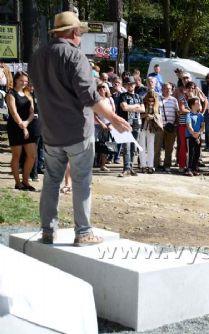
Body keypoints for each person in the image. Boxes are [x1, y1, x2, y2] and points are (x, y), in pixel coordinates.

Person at [30, 11, 131, 246]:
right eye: (80, 33)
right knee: (81, 181)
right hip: (77, 131)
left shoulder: (37, 56)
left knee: (52, 181)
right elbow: (90, 97)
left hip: (51, 131)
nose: (80, 37)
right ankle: (83, 232)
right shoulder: (75, 56)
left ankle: (48, 230)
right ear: (75, 32)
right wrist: (114, 118)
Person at [6, 71, 37, 191]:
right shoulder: (10, 94)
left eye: (26, 81)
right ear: (16, 80)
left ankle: (25, 181)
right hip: (15, 127)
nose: (24, 83)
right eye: (22, 80)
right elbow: (14, 113)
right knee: (17, 155)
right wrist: (23, 126)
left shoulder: (28, 93)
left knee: (32, 155)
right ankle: (18, 182)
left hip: (28, 126)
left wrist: (27, 123)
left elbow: (31, 112)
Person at [119, 76, 144, 177]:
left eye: (132, 84)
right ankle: (126, 168)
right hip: (126, 124)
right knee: (126, 147)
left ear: (135, 85)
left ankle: (131, 167)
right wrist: (136, 107)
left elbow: (143, 109)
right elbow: (124, 107)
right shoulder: (123, 95)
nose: (130, 86)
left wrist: (132, 108)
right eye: (128, 84)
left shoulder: (139, 97)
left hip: (137, 123)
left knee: (133, 147)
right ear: (126, 85)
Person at [155, 83, 179, 172]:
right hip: (159, 127)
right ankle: (156, 165)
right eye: (166, 88)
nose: (168, 90)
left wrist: (175, 124)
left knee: (169, 148)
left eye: (169, 88)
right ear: (162, 89)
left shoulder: (174, 100)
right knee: (157, 147)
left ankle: (167, 165)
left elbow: (177, 113)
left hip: (171, 127)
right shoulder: (157, 99)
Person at [139, 85, 163, 173]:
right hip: (142, 126)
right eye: (149, 98)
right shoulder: (142, 104)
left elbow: (159, 116)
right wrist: (145, 115)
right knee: (142, 146)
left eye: (152, 99)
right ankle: (142, 165)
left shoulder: (157, 106)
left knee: (151, 146)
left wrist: (152, 116)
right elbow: (138, 115)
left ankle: (150, 165)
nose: (151, 101)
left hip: (152, 127)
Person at [185, 97, 205, 176]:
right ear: (192, 105)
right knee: (191, 153)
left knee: (197, 153)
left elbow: (203, 126)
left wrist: (199, 134)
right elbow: (189, 125)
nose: (199, 104)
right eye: (197, 103)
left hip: (198, 137)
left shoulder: (200, 115)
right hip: (190, 137)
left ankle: (194, 168)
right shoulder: (188, 115)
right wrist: (193, 133)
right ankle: (189, 169)